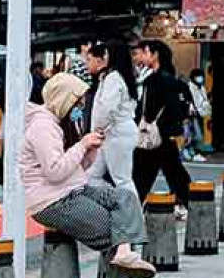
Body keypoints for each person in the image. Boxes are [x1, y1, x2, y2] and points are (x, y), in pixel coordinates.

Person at [22, 72, 156, 278]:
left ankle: (125, 252)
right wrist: (82, 145)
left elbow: (76, 168)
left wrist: (91, 150)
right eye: (78, 102)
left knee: (124, 197)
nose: (81, 107)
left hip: (73, 189)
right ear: (64, 99)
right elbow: (54, 172)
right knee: (109, 228)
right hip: (53, 201)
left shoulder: (62, 124)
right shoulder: (43, 127)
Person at [132, 40, 192, 215]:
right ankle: (197, 206)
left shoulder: (154, 80)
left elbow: (147, 109)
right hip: (166, 136)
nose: (140, 57)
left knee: (141, 178)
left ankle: (130, 216)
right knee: (176, 176)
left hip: (153, 135)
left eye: (144, 52)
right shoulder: (172, 79)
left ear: (155, 54)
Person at [85, 40, 139, 191]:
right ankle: (115, 205)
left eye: (107, 53)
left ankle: (132, 213)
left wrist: (97, 129)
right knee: (92, 176)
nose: (105, 57)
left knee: (122, 180)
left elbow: (106, 109)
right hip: (113, 133)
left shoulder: (113, 78)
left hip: (116, 133)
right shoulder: (118, 76)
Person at [183, 68, 210, 159]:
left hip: (199, 114)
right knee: (191, 134)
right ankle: (188, 150)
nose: (200, 78)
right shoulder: (189, 87)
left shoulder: (202, 88)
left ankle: (193, 151)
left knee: (196, 135)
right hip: (190, 115)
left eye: (201, 76)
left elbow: (205, 100)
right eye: (198, 76)